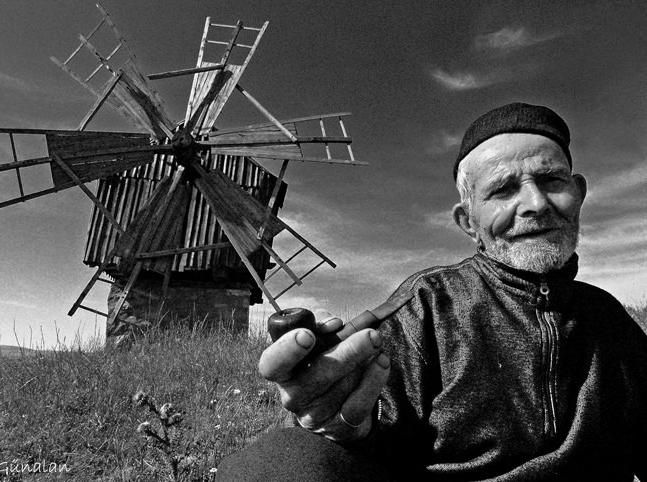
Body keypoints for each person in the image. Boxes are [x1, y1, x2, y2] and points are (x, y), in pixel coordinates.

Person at [217, 102, 647, 481]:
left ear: (578, 194)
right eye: (503, 190)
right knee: (278, 462)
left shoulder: (609, 320)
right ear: (468, 222)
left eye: (551, 180)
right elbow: (371, 442)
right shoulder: (425, 307)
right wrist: (345, 427)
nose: (535, 204)